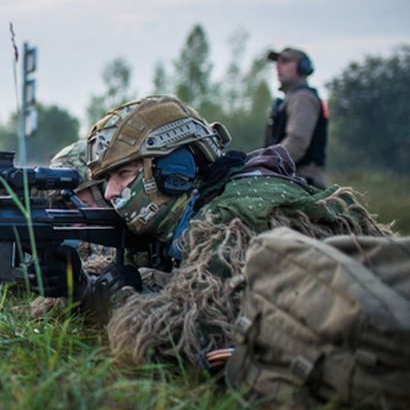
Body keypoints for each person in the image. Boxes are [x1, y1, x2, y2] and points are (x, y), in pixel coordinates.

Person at [37, 95, 387, 368]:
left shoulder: (233, 217)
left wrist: (109, 299)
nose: (111, 193)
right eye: (106, 180)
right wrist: (82, 285)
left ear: (175, 169)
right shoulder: (184, 217)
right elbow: (168, 279)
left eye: (124, 174)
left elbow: (193, 334)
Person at [265, 47, 329, 188]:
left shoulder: (302, 97)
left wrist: (263, 164)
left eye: (286, 61)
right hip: (290, 178)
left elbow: (297, 142)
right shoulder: (289, 99)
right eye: (277, 62)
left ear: (303, 67)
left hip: (303, 181)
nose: (278, 66)